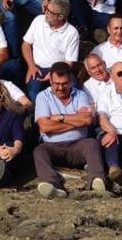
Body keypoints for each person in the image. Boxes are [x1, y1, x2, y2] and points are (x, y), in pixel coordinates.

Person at [33, 62, 107, 198]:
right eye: (56, 84)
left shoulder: (80, 95)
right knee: (39, 151)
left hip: (78, 146)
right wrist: (75, 121)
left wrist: (60, 118)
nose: (60, 88)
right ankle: (53, 185)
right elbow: (45, 127)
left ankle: (97, 180)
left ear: (71, 80)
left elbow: (87, 120)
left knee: (92, 143)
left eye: (65, 84)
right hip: (53, 147)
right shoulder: (42, 97)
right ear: (50, 80)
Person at [22, 0, 80, 102]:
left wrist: (54, 74)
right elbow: (26, 44)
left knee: (74, 94)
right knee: (33, 95)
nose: (46, 12)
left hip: (60, 70)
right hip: (37, 68)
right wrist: (31, 66)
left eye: (50, 11)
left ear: (61, 16)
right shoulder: (38, 20)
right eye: (46, 9)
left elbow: (69, 61)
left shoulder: (72, 32)